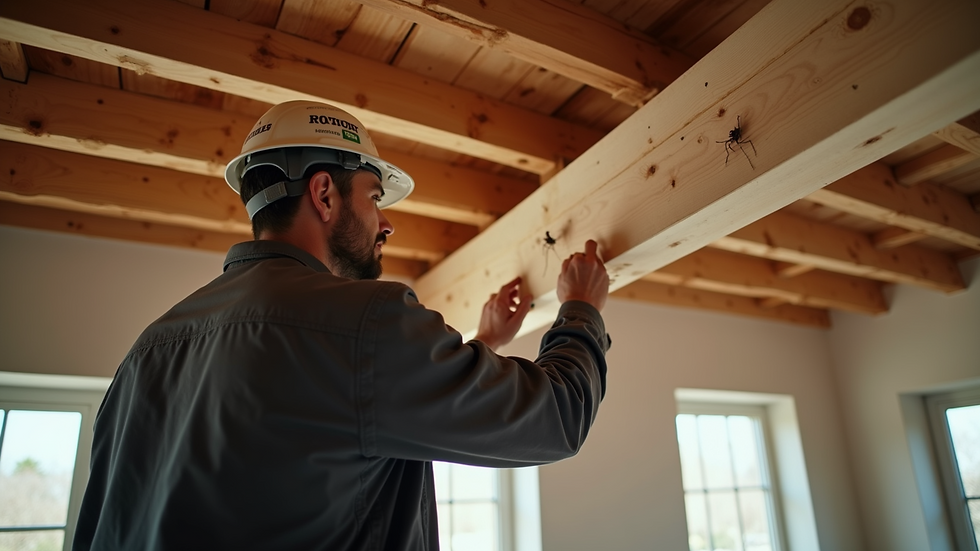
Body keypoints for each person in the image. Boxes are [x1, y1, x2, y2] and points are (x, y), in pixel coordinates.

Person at [73, 100, 611, 551]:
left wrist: (483, 345)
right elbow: (555, 417)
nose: (387, 222)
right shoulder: (367, 321)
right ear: (324, 193)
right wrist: (582, 308)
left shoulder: (146, 352)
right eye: (375, 198)